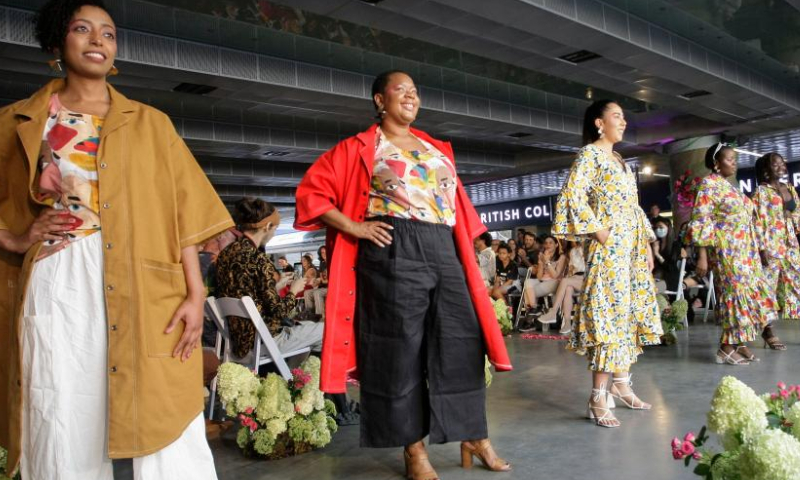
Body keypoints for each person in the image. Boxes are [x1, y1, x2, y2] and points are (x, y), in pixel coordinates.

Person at [0, 1, 234, 477]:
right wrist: (17, 239)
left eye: (107, 33)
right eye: (82, 29)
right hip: (60, 279)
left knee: (160, 403)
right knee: (62, 400)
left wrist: (196, 292)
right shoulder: (17, 121)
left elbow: (181, 212)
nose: (97, 41)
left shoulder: (153, 124)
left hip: (143, 278)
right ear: (56, 43)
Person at [294, 70, 512, 479]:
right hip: (393, 248)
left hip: (445, 248)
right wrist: (355, 227)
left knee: (461, 343)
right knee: (400, 350)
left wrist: (471, 257)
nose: (411, 96)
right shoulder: (359, 147)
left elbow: (458, 209)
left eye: (415, 90)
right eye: (401, 90)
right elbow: (310, 195)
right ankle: (414, 450)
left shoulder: (436, 147)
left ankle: (473, 435)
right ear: (380, 100)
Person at [553, 99, 662, 428]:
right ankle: (598, 396)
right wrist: (598, 230)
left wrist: (646, 244)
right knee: (609, 314)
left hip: (629, 249)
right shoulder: (590, 154)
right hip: (608, 249)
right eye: (617, 116)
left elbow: (633, 206)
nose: (624, 121)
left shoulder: (619, 159)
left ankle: (622, 384)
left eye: (624, 117)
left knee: (627, 314)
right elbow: (572, 194)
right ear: (599, 123)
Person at [688, 143, 779, 364]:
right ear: (716, 164)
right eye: (729, 159)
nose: (734, 163)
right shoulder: (708, 185)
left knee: (749, 296)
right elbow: (701, 220)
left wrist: (759, 248)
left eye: (735, 159)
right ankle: (725, 347)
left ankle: (740, 343)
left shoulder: (730, 187)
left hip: (746, 252)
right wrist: (702, 255)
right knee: (735, 296)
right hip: (727, 251)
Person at [215, 198, 323, 360]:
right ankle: (297, 380)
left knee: (308, 329)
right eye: (275, 229)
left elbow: (245, 292)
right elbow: (279, 312)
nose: (273, 234)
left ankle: (293, 377)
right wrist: (294, 290)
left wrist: (277, 286)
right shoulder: (259, 259)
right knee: (326, 332)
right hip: (264, 340)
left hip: (239, 341)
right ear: (267, 227)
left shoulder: (225, 254)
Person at [754, 152, 799, 344]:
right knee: (768, 289)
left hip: (790, 245)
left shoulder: (790, 188)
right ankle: (767, 329)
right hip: (771, 246)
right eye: (776, 164)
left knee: (796, 285)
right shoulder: (761, 193)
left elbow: (797, 213)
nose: (781, 166)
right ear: (766, 170)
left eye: (782, 163)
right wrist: (761, 249)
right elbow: (756, 222)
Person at [538, 240, 586, 334]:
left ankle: (553, 312)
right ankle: (567, 323)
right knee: (568, 288)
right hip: (575, 278)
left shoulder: (585, 247)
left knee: (565, 281)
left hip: (587, 278)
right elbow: (572, 269)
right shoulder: (571, 251)